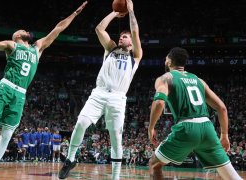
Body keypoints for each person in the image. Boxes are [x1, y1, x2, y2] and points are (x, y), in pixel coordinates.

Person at [0, 2, 88, 179]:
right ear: (17, 35)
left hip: (20, 94)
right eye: (21, 29)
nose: (25, 30)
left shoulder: (37, 48)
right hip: (6, 87)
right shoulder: (11, 45)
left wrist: (75, 13)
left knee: (7, 135)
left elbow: (58, 28)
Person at [59, 0, 142, 179]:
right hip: (99, 93)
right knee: (81, 123)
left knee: (116, 138)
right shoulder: (111, 48)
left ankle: (115, 177)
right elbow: (99, 29)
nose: (121, 38)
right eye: (120, 36)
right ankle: (70, 159)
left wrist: (131, 11)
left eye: (125, 37)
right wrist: (115, 13)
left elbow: (135, 31)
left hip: (118, 99)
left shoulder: (136, 56)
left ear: (132, 42)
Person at [148, 47, 243, 180]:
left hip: (186, 128)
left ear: (169, 62)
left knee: (154, 164)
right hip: (207, 128)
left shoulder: (165, 78)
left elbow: (159, 103)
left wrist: (151, 127)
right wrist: (224, 135)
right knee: (232, 177)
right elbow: (222, 108)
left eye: (165, 59)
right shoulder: (199, 80)